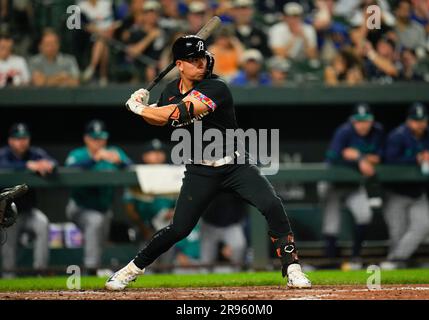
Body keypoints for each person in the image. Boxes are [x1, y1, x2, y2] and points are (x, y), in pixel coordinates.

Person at [105, 35, 311, 290]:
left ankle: (293, 268)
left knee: (271, 204)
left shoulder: (216, 87)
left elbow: (181, 112)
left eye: (202, 57)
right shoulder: (170, 91)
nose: (200, 63)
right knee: (179, 229)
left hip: (235, 165)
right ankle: (131, 270)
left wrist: (139, 109)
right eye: (193, 60)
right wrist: (146, 106)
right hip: (199, 169)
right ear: (179, 65)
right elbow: (160, 119)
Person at [381, 103, 429, 270]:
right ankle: (396, 268)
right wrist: (415, 159)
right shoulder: (397, 135)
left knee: (423, 226)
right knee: (397, 233)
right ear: (408, 120)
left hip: (418, 193)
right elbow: (389, 161)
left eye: (422, 120)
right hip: (396, 192)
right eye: (416, 120)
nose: (420, 124)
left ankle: (394, 260)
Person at [65, 119, 132, 275]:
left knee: (100, 238)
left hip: (104, 208)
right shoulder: (78, 154)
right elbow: (69, 171)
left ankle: (96, 269)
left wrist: (120, 162)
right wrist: (93, 159)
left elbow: (130, 166)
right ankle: (91, 269)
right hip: (80, 206)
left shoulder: (113, 151)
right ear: (87, 139)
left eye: (101, 138)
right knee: (95, 221)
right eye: (95, 138)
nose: (99, 142)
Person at [321, 103, 384, 270]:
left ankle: (355, 257)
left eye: (366, 120)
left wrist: (358, 156)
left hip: (354, 186)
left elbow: (381, 156)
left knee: (365, 214)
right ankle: (330, 263)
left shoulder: (377, 131)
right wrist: (360, 161)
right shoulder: (344, 132)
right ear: (353, 121)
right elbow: (334, 158)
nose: (363, 125)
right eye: (358, 121)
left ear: (372, 121)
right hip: (333, 183)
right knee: (331, 224)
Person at [0, 123, 54, 277]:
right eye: (17, 138)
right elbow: (3, 165)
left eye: (24, 138)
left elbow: (53, 163)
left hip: (29, 211)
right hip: (8, 212)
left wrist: (47, 165)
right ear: (10, 141)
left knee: (42, 223)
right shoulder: (3, 154)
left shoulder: (35, 153)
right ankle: (8, 276)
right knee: (8, 239)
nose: (21, 142)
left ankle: (40, 272)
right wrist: (26, 165)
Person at [200, 192, 248, 272]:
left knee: (239, 246)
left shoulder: (235, 183)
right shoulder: (206, 182)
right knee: (206, 261)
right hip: (209, 225)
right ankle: (204, 281)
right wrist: (221, 247)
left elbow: (243, 211)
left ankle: (237, 276)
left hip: (231, 225)